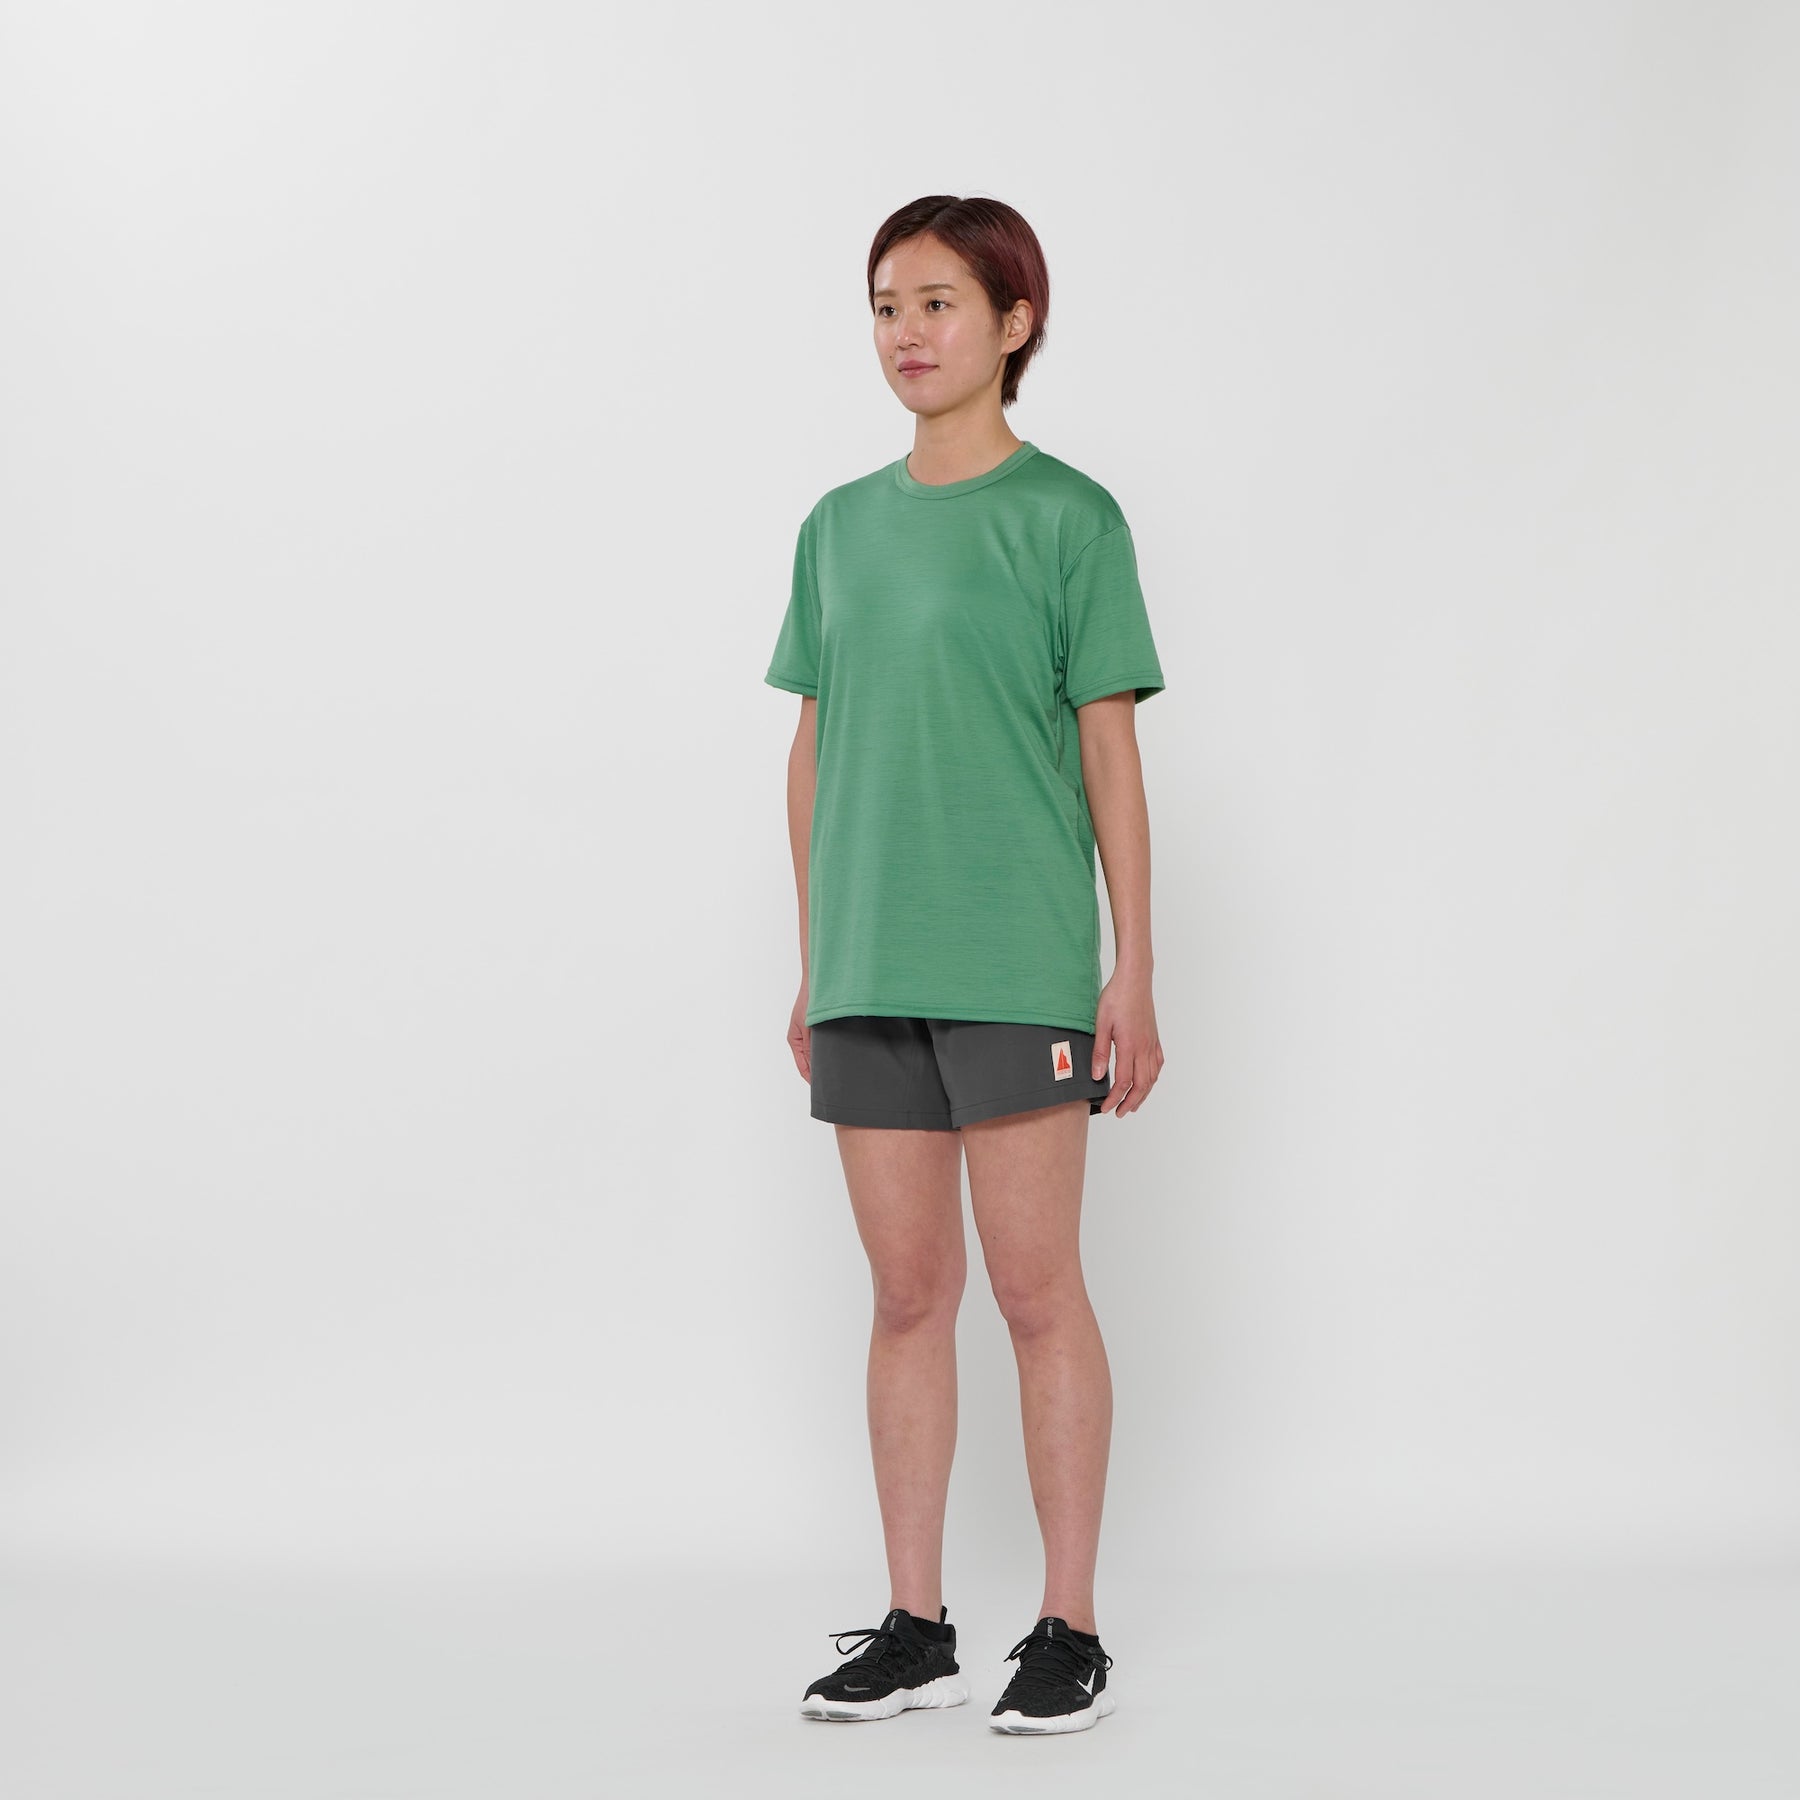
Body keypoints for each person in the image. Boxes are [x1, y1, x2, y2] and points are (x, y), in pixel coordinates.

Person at [765, 194, 1166, 1737]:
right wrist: (818, 958)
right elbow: (813, 752)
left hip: (1018, 960)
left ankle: (1070, 1626)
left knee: (1036, 1289)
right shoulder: (836, 527)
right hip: (872, 962)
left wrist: (1131, 971)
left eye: (937, 302)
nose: (906, 333)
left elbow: (1110, 756)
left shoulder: (1070, 519)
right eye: (885, 306)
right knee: (905, 1295)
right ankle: (916, 1623)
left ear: (1014, 322)